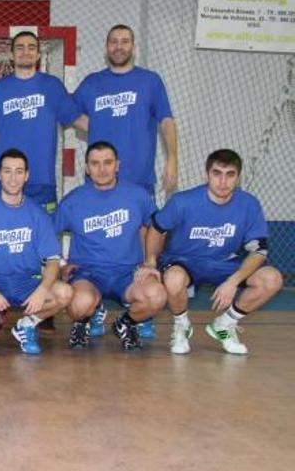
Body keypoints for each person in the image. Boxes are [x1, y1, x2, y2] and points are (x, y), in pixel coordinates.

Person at [73, 24, 179, 339]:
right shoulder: (92, 83)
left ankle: (138, 312)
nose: (119, 46)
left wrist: (172, 157)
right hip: (101, 181)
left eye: (125, 41)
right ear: (106, 47)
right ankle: (94, 302)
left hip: (138, 179)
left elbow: (167, 120)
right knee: (100, 238)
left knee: (141, 244)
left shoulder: (150, 81)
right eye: (113, 42)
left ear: (132, 46)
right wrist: (95, 127)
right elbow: (69, 112)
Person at [145, 149, 282, 355]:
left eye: (230, 174)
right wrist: (150, 261)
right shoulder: (183, 202)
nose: (223, 181)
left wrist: (233, 282)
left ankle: (224, 325)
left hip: (224, 262)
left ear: (238, 177)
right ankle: (181, 325)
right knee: (173, 279)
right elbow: (156, 228)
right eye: (217, 173)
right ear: (206, 174)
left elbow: (259, 251)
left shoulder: (249, 204)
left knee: (272, 279)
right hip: (184, 260)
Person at [54, 141, 166, 351]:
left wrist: (150, 261)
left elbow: (157, 228)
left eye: (108, 162)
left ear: (117, 165)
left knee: (157, 295)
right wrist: (61, 264)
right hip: (88, 273)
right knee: (79, 304)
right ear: (86, 168)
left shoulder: (137, 195)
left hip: (128, 272)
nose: (102, 169)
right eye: (95, 163)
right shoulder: (73, 201)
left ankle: (126, 324)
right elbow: (47, 235)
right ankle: (83, 321)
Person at [0, 149, 72, 354]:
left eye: (19, 172)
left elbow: (53, 260)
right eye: (8, 171)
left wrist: (42, 290)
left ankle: (26, 325)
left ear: (26, 176)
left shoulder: (38, 215)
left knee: (64, 293)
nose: (13, 178)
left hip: (27, 281)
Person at [0, 31, 86, 211]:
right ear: (12, 55)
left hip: (41, 180)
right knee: (3, 236)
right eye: (20, 47)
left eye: (31, 47)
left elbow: (78, 119)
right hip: (4, 181)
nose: (26, 51)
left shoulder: (52, 86)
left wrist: (112, 134)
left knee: (43, 237)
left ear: (38, 55)